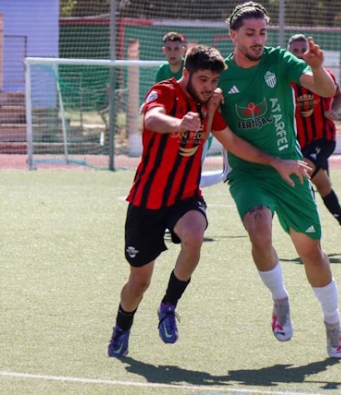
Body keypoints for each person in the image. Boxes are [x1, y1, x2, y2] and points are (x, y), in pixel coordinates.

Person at [108, 44, 310, 357]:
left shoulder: (210, 103)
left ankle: (169, 305)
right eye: (202, 80)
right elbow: (151, 119)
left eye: (213, 81)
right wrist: (179, 123)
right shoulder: (163, 91)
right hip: (147, 200)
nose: (208, 87)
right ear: (186, 73)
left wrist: (276, 162)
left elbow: (231, 141)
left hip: (185, 196)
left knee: (195, 236)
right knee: (138, 284)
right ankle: (122, 325)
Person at [216, 1, 341, 359]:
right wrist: (272, 161)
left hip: (290, 167)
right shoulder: (220, 76)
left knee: (312, 253)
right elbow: (228, 138)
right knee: (259, 231)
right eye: (250, 33)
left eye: (262, 32)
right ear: (233, 35)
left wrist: (318, 68)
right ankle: (280, 301)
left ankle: (333, 324)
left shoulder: (279, 59)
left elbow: (322, 90)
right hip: (249, 170)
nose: (258, 40)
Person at [287, 34, 341, 253]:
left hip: (323, 139)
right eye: (295, 50)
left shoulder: (323, 75)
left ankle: (310, 231)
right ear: (289, 52)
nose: (299, 54)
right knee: (323, 185)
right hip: (299, 142)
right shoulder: (287, 80)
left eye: (302, 49)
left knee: (303, 172)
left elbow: (339, 94)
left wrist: (334, 109)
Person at [156, 31, 223, 188]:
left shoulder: (193, 68)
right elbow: (162, 99)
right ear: (163, 50)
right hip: (176, 130)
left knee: (189, 178)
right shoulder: (162, 71)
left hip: (198, 127)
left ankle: (228, 174)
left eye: (176, 48)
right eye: (169, 49)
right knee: (180, 177)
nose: (173, 53)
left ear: (183, 50)